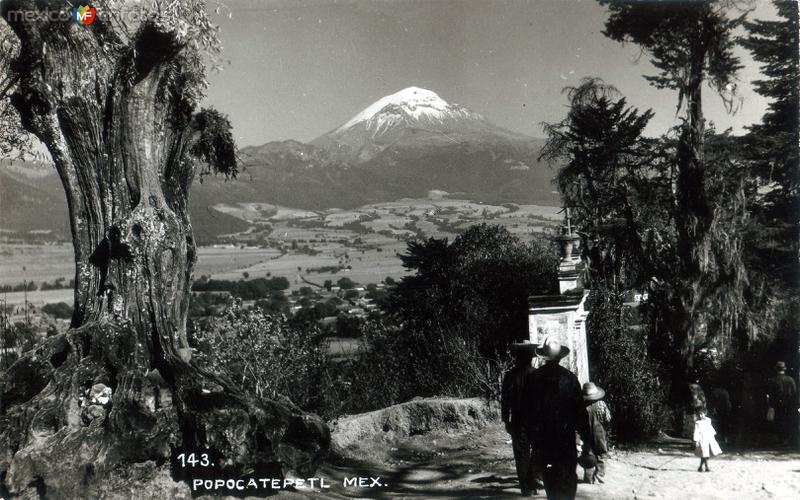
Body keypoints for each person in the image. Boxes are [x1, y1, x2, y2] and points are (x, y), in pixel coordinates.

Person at [526, 336, 592, 500]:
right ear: (560, 357)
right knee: (568, 477)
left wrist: (533, 440)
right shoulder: (570, 379)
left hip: (545, 441)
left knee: (551, 480)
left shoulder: (534, 379)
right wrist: (586, 441)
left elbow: (529, 413)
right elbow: (580, 414)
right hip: (566, 441)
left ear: (544, 356)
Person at [501, 339, 539, 496]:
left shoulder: (510, 376)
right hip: (535, 420)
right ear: (530, 356)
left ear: (517, 357)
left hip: (517, 420)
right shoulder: (537, 374)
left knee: (521, 454)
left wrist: (506, 420)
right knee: (536, 451)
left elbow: (504, 401)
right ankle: (533, 483)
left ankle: (526, 487)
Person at [581, 382, 611, 484]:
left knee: (588, 453)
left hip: (586, 433)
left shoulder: (582, 407)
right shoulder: (601, 404)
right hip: (599, 432)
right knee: (601, 452)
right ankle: (600, 474)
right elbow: (607, 419)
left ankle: (588, 477)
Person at [766, 361, 798, 448]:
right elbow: (795, 393)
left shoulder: (772, 380)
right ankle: (786, 440)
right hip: (789, 405)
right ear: (784, 369)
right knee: (788, 421)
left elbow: (770, 395)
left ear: (776, 369)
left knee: (779, 422)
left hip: (777, 405)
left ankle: (781, 440)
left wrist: (770, 405)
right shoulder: (790, 379)